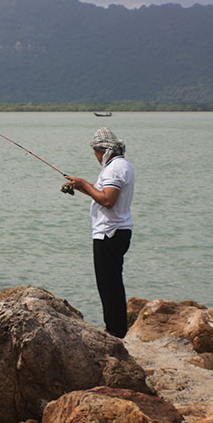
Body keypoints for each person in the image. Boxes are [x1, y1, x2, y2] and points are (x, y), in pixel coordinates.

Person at [64, 127, 134, 338]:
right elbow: (102, 193)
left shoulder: (114, 169)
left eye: (95, 152)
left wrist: (85, 184)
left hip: (109, 233)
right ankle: (116, 328)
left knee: (108, 284)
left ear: (103, 150)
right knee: (111, 281)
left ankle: (115, 331)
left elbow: (107, 200)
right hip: (117, 230)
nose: (95, 157)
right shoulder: (121, 165)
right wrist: (80, 186)